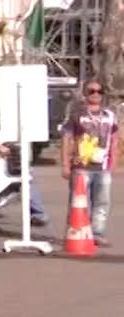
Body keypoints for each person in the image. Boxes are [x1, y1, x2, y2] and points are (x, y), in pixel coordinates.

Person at [61, 78, 117, 243]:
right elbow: (67, 138)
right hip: (81, 166)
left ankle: (97, 233)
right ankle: (75, 230)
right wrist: (65, 164)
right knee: (77, 201)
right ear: (85, 94)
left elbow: (114, 139)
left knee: (102, 202)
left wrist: (114, 162)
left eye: (99, 91)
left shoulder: (109, 115)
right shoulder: (77, 114)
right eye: (91, 91)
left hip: (103, 167)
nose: (95, 95)